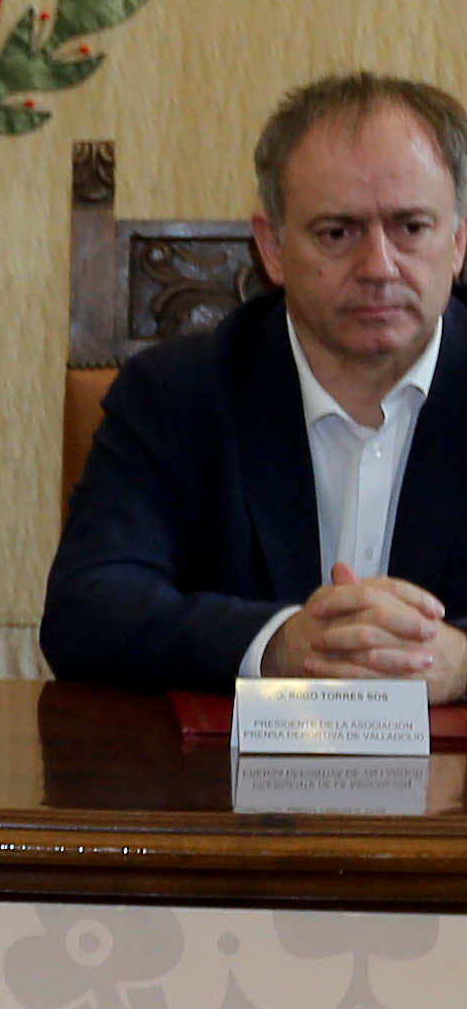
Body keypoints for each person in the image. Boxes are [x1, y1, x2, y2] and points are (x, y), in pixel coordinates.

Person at [43, 74, 467, 698]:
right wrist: (279, 644)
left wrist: (461, 660)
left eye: (411, 227)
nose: (379, 267)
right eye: (337, 232)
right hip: (228, 790)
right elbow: (87, 611)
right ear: (270, 247)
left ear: (458, 241)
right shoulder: (177, 394)